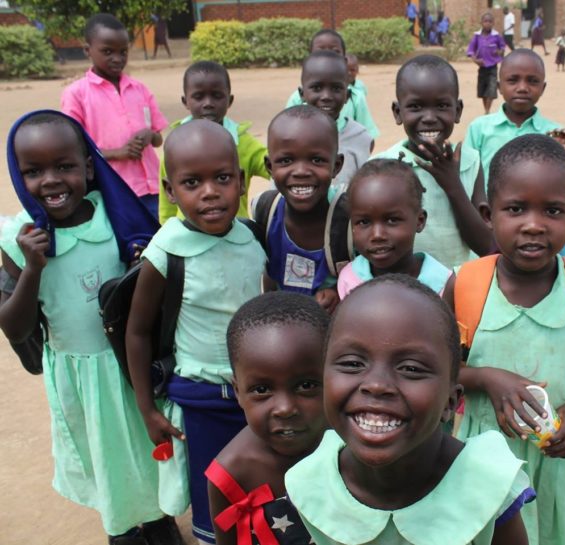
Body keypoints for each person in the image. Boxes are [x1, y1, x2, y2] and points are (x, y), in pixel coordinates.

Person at [0, 111, 180, 545]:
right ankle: (121, 529)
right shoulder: (17, 240)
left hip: (127, 367)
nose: (50, 181)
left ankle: (159, 520)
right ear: (17, 175)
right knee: (104, 453)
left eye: (64, 166)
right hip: (79, 378)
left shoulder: (120, 224)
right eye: (33, 171)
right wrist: (32, 268)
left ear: (87, 166)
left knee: (145, 444)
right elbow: (15, 325)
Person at [452, 134, 565, 545]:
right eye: (515, 209)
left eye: (552, 211)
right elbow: (439, 368)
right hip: (481, 459)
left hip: (557, 458)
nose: (533, 224)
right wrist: (487, 378)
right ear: (488, 214)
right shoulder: (466, 285)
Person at [287, 274, 535, 544]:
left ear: (450, 402)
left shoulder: (486, 488)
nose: (377, 385)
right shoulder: (310, 485)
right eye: (352, 363)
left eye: (411, 369)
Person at [126, 121, 266, 544]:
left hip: (256, 395)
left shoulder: (252, 237)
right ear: (170, 191)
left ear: (241, 182)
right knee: (214, 497)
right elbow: (137, 332)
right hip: (202, 399)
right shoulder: (166, 250)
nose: (209, 191)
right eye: (192, 182)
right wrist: (147, 409)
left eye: (222, 178)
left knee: (262, 485)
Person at [206, 292, 329, 545]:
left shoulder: (350, 442)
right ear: (237, 391)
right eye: (261, 390)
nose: (285, 408)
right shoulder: (231, 473)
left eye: (306, 385)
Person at [373, 55, 491, 269]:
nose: (429, 117)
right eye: (416, 107)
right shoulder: (382, 167)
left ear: (458, 111)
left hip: (457, 287)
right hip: (403, 288)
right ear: (398, 112)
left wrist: (452, 183)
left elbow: (486, 246)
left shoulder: (470, 162)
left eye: (442, 106)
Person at [61, 13, 168, 218]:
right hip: (112, 191)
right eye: (108, 51)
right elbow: (73, 150)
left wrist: (149, 135)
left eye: (123, 52)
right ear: (87, 50)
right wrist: (119, 152)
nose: (117, 59)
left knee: (157, 241)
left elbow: (158, 139)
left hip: (153, 188)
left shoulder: (140, 89)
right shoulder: (77, 94)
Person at [158, 61, 268, 224]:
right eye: (198, 96)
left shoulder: (243, 142)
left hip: (236, 234)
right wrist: (166, 231)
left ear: (229, 100)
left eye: (217, 96)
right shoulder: (176, 145)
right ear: (185, 101)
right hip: (188, 236)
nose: (208, 103)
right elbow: (166, 202)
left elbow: (274, 166)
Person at [260, 106, 344, 311]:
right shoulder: (265, 212)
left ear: (336, 166)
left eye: (316, 160)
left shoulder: (350, 218)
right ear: (270, 167)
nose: (301, 172)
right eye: (286, 160)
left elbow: (369, 277)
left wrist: (340, 296)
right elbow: (268, 273)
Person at [338, 159, 453, 300]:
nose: (377, 235)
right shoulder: (350, 279)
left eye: (392, 220)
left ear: (420, 221)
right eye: (364, 222)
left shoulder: (444, 284)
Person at [465, 49, 565, 178]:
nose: (522, 88)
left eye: (532, 81)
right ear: (499, 87)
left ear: (542, 88)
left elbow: (562, 182)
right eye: (513, 80)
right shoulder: (479, 128)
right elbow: (467, 176)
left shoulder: (554, 134)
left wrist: (564, 158)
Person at [285, 30, 379, 142]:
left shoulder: (355, 97)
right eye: (317, 88)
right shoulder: (297, 98)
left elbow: (367, 138)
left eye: (335, 52)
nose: (326, 96)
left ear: (345, 61)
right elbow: (286, 132)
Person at [297, 50, 372, 192]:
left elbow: (363, 188)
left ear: (347, 96)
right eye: (317, 88)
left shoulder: (360, 137)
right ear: (302, 94)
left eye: (336, 88)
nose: (326, 96)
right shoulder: (289, 133)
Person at [467, 12, 508, 115]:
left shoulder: (496, 35)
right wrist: (475, 60)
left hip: (492, 67)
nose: (487, 23)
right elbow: (471, 50)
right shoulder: (477, 36)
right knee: (483, 89)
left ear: (493, 23)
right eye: (485, 21)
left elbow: (502, 47)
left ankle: (487, 110)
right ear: (481, 23)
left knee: (491, 88)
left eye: (490, 21)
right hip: (482, 67)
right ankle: (486, 108)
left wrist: (499, 52)